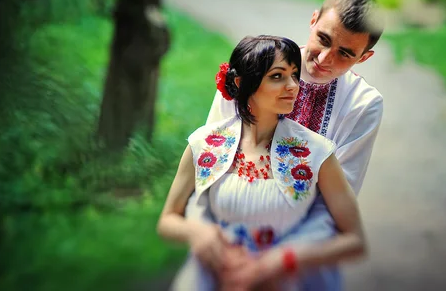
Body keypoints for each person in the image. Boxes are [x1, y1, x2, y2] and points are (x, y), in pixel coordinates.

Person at [157, 36, 367, 290]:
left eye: (294, 75)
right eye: (277, 76)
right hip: (214, 279)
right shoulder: (205, 144)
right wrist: (199, 233)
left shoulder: (317, 152)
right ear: (241, 82)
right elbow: (168, 220)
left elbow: (354, 240)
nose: (293, 86)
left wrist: (284, 260)